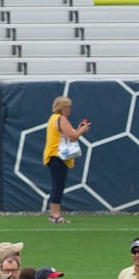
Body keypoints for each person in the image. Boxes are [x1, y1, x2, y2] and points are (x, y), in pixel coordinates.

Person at [44, 96, 89, 224]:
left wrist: (78, 129)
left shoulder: (53, 119)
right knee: (58, 185)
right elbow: (73, 136)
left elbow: (67, 134)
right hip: (58, 156)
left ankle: (54, 214)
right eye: (69, 107)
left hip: (53, 155)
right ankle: (55, 214)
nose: (70, 110)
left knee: (57, 185)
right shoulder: (61, 118)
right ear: (63, 108)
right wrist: (83, 130)